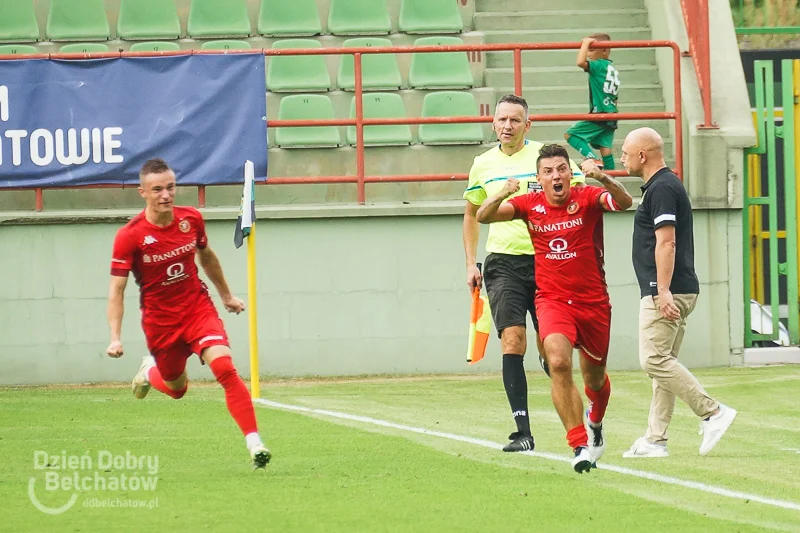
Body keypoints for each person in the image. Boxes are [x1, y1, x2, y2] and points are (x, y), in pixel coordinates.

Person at [476, 144, 633, 473]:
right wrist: (503, 192)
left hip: (593, 302)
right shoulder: (529, 204)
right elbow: (483, 215)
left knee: (595, 380)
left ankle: (596, 423)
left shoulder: (587, 197)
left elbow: (624, 202)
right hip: (553, 300)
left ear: (570, 173)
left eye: (561, 169)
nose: (555, 176)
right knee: (558, 362)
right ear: (539, 178)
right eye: (548, 171)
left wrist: (603, 177)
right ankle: (578, 444)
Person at [106, 158, 271, 469]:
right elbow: (116, 290)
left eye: (170, 187)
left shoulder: (191, 219)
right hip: (161, 324)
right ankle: (150, 369)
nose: (166, 195)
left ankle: (254, 442)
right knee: (177, 389)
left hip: (197, 309)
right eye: (157, 190)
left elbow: (206, 256)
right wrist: (115, 337)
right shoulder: (130, 236)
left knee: (224, 367)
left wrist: (226, 296)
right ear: (143, 192)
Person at [463, 95, 585, 453]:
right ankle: (523, 432)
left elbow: (576, 193)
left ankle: (579, 422)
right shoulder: (482, 164)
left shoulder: (546, 160)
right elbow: (472, 215)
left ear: (527, 125)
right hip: (503, 263)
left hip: (549, 260)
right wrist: (471, 262)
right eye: (502, 119)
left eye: (515, 120)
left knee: (554, 352)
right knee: (512, 340)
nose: (507, 126)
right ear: (493, 123)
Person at [621, 127, 737, 458]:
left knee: (654, 360)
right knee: (664, 364)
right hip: (674, 288)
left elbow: (666, 241)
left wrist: (662, 290)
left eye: (627, 152)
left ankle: (712, 412)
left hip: (668, 290)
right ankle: (655, 440)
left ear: (643, 155)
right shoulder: (662, 186)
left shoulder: (662, 188)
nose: (623, 158)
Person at [564, 33, 620, 171]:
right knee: (605, 148)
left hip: (600, 112)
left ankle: (591, 158)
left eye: (591, 50)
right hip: (612, 112)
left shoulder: (599, 65)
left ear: (605, 51)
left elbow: (580, 62)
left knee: (570, 134)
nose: (588, 53)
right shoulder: (611, 68)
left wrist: (585, 43)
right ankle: (612, 179)